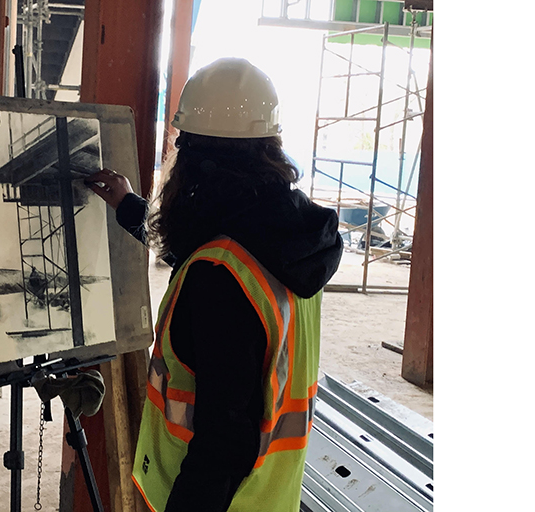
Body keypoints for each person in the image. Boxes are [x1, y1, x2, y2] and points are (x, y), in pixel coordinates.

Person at [84, 58, 343, 512]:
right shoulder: (290, 242)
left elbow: (222, 445)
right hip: (270, 497)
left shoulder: (220, 275)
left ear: (199, 163)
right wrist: (128, 206)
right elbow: (193, 242)